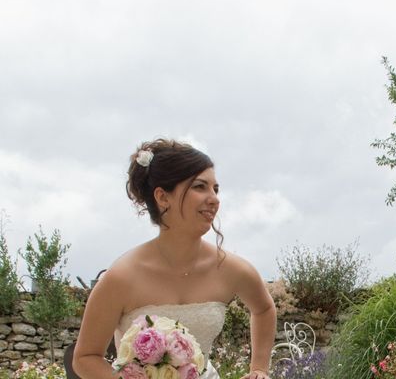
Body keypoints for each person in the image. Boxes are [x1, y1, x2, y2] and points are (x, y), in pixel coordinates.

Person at [73, 139, 276, 379]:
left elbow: (264, 309)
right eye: (200, 187)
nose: (214, 198)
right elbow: (85, 358)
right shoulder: (122, 277)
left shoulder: (231, 269)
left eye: (216, 189)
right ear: (162, 197)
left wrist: (259, 369)